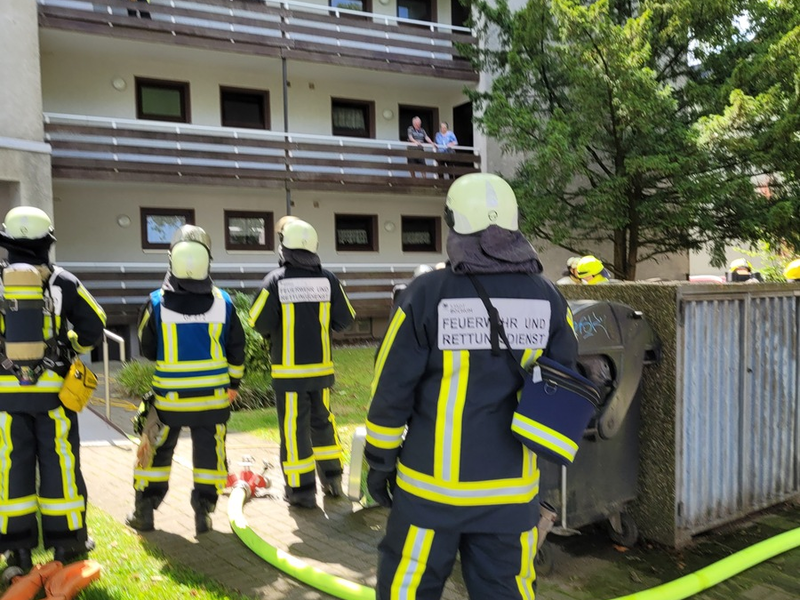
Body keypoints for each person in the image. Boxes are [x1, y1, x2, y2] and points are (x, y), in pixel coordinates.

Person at [365, 173, 578, 599]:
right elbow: (562, 384)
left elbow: (390, 392)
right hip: (511, 495)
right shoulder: (550, 298)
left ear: (453, 224)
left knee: (408, 589)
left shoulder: (425, 295)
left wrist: (380, 462)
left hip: (430, 493)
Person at [0, 207, 106, 570]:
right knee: (60, 463)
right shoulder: (64, 282)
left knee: (12, 467)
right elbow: (95, 324)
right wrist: (71, 346)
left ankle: (17, 550)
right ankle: (67, 544)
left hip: (5, 396)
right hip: (53, 394)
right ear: (47, 241)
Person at [126, 225, 245, 535]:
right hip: (213, 400)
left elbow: (148, 350)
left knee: (156, 451)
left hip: (169, 402)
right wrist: (233, 385)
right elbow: (237, 350)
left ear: (172, 259)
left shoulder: (155, 302)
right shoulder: (225, 302)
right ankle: (204, 514)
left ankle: (144, 512)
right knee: (210, 456)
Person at [249, 218, 356, 508]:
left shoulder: (275, 281)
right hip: (321, 372)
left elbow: (257, 321)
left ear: (284, 247)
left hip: (290, 374)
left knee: (295, 430)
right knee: (323, 423)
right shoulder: (329, 280)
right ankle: (333, 480)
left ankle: (301, 491)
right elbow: (346, 319)